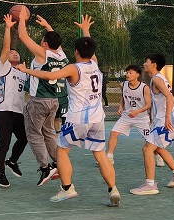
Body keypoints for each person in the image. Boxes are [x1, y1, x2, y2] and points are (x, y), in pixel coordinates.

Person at [17, 15, 120, 206]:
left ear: (76, 52)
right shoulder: (94, 64)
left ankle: (67, 188)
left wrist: (27, 71)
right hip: (97, 119)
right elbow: (89, 47)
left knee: (62, 151)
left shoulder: (74, 68)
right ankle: (113, 190)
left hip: (78, 118)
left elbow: (50, 75)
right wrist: (86, 30)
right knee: (100, 155)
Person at [18, 13, 68, 186]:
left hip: (39, 100)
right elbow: (56, 41)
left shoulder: (43, 54)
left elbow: (23, 36)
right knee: (48, 132)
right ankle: (58, 163)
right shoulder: (61, 55)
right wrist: (48, 26)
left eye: (43, 40)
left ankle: (45, 167)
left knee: (34, 134)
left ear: (45, 44)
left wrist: (22, 18)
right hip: (54, 101)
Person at [130, 53, 174, 195]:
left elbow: (170, 97)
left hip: (166, 121)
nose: (144, 64)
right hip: (163, 120)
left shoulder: (156, 79)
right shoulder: (156, 78)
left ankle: (150, 185)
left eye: (146, 61)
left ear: (154, 64)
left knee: (147, 149)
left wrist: (167, 117)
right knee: (158, 149)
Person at [0, 14, 28, 187]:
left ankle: (12, 161)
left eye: (17, 53)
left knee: (24, 138)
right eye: (11, 53)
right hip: (4, 111)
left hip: (18, 112)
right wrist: (8, 27)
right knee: (4, 143)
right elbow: (6, 47)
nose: (14, 54)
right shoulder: (4, 67)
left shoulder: (23, 73)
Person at [106, 64, 152, 165]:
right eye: (127, 72)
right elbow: (123, 97)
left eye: (130, 73)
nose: (127, 74)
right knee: (113, 133)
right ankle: (109, 157)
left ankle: (157, 155)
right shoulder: (123, 85)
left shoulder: (144, 88)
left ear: (137, 75)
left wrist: (137, 112)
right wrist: (120, 107)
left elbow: (148, 105)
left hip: (141, 118)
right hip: (127, 116)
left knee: (150, 140)